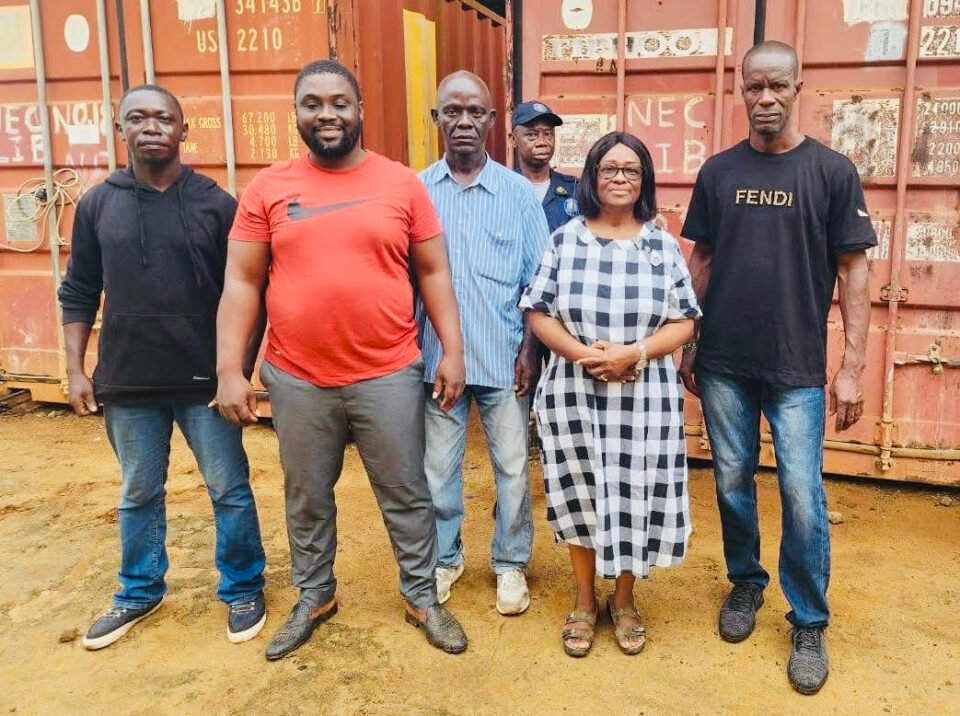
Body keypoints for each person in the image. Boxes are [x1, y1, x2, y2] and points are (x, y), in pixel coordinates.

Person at [214, 60, 469, 660]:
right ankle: (315, 595)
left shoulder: (401, 184)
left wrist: (453, 351)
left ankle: (421, 596)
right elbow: (242, 283)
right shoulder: (268, 188)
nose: (326, 114)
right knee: (306, 494)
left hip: (388, 372)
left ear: (360, 111)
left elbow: (433, 271)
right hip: (298, 377)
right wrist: (230, 369)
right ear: (297, 113)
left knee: (406, 492)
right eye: (312, 103)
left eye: (339, 103)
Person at [680, 41, 875, 694]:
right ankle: (746, 582)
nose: (765, 98)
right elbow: (702, 260)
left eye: (777, 87)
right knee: (732, 481)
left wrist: (851, 366)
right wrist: (688, 341)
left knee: (800, 490)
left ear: (798, 88)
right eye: (754, 87)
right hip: (724, 362)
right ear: (741, 90)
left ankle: (809, 618)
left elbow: (853, 269)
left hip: (796, 366)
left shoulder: (831, 172)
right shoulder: (718, 172)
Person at [58, 84, 267, 650]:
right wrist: (76, 370)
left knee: (229, 489)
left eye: (163, 118)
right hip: (128, 383)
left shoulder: (215, 204)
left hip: (205, 384)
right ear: (120, 129)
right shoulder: (98, 205)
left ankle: (243, 586)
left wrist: (238, 370)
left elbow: (250, 292)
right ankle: (139, 590)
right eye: (137, 118)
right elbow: (79, 290)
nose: (151, 127)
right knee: (138, 493)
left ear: (183, 130)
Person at [520, 131, 700, 657]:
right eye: (609, 169)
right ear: (593, 177)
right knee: (578, 490)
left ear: (644, 181)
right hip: (574, 390)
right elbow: (538, 311)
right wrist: (586, 356)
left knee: (634, 493)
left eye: (631, 170)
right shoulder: (565, 240)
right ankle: (583, 599)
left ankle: (623, 599)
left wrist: (633, 354)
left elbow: (685, 321)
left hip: (644, 396)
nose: (620, 178)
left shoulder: (661, 244)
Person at [417, 71, 551, 615]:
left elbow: (539, 283)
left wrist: (530, 352)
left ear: (494, 121)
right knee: (438, 469)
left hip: (504, 360)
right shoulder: (417, 191)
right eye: (452, 111)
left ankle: (510, 562)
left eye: (476, 111)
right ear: (437, 119)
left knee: (514, 468)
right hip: (437, 362)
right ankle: (445, 558)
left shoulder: (518, 195)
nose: (464, 121)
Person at [510, 100, 579, 232]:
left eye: (548, 134)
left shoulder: (575, 189)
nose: (542, 142)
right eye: (532, 135)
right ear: (513, 139)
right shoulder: (503, 188)